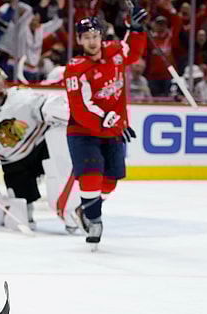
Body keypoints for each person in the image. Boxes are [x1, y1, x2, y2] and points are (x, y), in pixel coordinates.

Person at [62, 6, 147, 250]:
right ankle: (94, 220)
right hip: (83, 131)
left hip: (113, 130)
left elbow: (134, 50)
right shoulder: (76, 67)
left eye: (95, 35)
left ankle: (86, 208)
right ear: (79, 40)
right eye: (86, 37)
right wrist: (107, 117)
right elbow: (80, 107)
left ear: (102, 35)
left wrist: (138, 29)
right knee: (91, 176)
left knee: (110, 180)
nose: (91, 41)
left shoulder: (116, 52)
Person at [0, 64, 77, 233]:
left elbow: (49, 105)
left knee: (57, 140)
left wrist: (62, 113)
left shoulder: (22, 97)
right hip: (15, 164)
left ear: (4, 83)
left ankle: (72, 211)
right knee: (19, 218)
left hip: (41, 149)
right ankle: (26, 214)